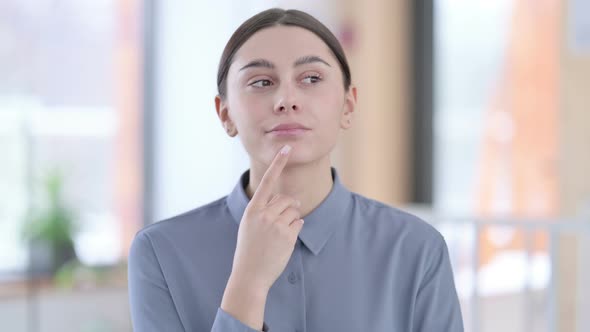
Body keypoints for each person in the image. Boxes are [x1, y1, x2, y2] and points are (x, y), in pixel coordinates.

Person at [128, 8, 464, 332]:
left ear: (348, 106)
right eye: (261, 82)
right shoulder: (160, 252)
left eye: (312, 78)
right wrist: (249, 283)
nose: (286, 99)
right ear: (225, 114)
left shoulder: (417, 249)